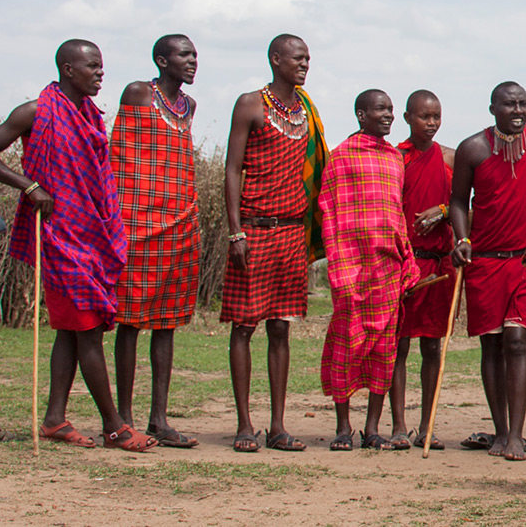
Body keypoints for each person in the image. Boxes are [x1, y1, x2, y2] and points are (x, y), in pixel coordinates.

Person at [0, 39, 152, 452]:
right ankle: (115, 426)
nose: (100, 73)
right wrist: (29, 186)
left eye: (102, 66)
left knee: (71, 332)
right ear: (68, 70)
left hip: (90, 233)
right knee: (86, 330)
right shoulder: (35, 112)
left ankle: (54, 419)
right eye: (92, 66)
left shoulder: (88, 115)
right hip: (59, 238)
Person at [221, 33, 327, 453]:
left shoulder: (305, 111)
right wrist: (235, 231)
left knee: (281, 327)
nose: (305, 64)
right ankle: (245, 425)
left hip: (291, 233)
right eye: (298, 58)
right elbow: (232, 169)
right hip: (256, 228)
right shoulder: (251, 104)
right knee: (245, 326)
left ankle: (278, 425)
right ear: (275, 59)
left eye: (308, 58)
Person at [449, 82, 526, 461]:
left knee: (517, 341)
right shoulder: (473, 149)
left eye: (523, 104)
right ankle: (499, 431)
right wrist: (461, 239)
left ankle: (516, 434)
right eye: (509, 105)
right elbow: (457, 202)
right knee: (492, 345)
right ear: (492, 109)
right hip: (485, 260)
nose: (517, 111)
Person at [108, 34, 201, 449]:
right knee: (129, 321)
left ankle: (159, 418)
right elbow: (118, 156)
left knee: (166, 323)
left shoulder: (189, 107)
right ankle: (123, 418)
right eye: (184, 55)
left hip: (179, 222)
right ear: (161, 60)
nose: (193, 61)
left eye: (195, 55)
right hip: (136, 222)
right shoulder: (138, 93)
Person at [318, 90, 422, 452]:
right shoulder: (340, 157)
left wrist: (407, 261)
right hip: (350, 268)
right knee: (347, 344)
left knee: (384, 348)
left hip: (387, 269)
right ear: (361, 114)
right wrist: (337, 266)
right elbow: (329, 213)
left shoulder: (396, 159)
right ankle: (343, 427)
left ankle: (372, 428)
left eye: (391, 110)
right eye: (380, 109)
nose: (388, 115)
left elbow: (397, 217)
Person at [392, 89, 455, 451]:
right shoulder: (395, 158)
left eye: (436, 117)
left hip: (438, 266)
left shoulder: (449, 158)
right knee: (398, 346)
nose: (431, 123)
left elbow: (464, 205)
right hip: (403, 263)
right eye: (423, 117)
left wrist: (444, 212)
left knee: (433, 347)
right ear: (407, 118)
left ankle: (426, 424)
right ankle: (399, 425)